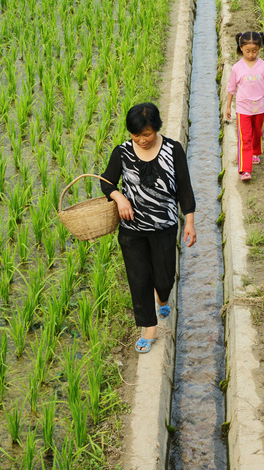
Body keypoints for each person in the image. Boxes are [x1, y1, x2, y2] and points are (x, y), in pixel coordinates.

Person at [101, 102, 196, 353]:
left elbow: (185, 188)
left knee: (164, 277)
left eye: (146, 134)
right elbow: (106, 182)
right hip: (132, 229)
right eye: (135, 135)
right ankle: (148, 327)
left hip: (164, 226)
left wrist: (190, 221)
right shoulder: (121, 153)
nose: (141, 140)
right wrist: (119, 197)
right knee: (139, 278)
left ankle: (162, 297)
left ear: (156, 128)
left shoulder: (172, 150)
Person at [224, 31, 264, 181]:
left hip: (260, 108)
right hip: (243, 109)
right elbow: (231, 88)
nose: (251, 54)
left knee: (257, 133)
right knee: (244, 138)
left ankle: (254, 152)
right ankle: (245, 170)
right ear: (241, 48)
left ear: (259, 48)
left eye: (254, 51)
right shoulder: (237, 68)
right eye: (247, 51)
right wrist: (228, 107)